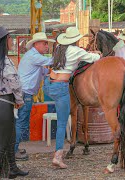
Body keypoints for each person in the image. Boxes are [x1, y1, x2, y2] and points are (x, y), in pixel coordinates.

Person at [43, 27, 101, 169]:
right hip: (60, 87)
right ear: (76, 39)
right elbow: (95, 58)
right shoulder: (76, 51)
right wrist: (98, 53)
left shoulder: (59, 49)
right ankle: (57, 157)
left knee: (64, 112)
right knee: (62, 123)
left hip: (48, 84)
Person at [0, 26, 29, 179]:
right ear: (4, 42)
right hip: (4, 105)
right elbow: (15, 82)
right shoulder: (5, 61)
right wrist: (19, 100)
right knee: (0, 147)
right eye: (9, 38)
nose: (11, 40)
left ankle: (13, 169)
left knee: (10, 138)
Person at [15, 32, 55, 160]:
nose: (47, 47)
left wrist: (50, 71)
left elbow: (44, 71)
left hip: (25, 92)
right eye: (45, 44)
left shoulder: (34, 57)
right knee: (21, 121)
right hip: (25, 93)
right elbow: (52, 61)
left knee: (21, 121)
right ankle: (14, 150)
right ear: (36, 44)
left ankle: (14, 148)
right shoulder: (34, 56)